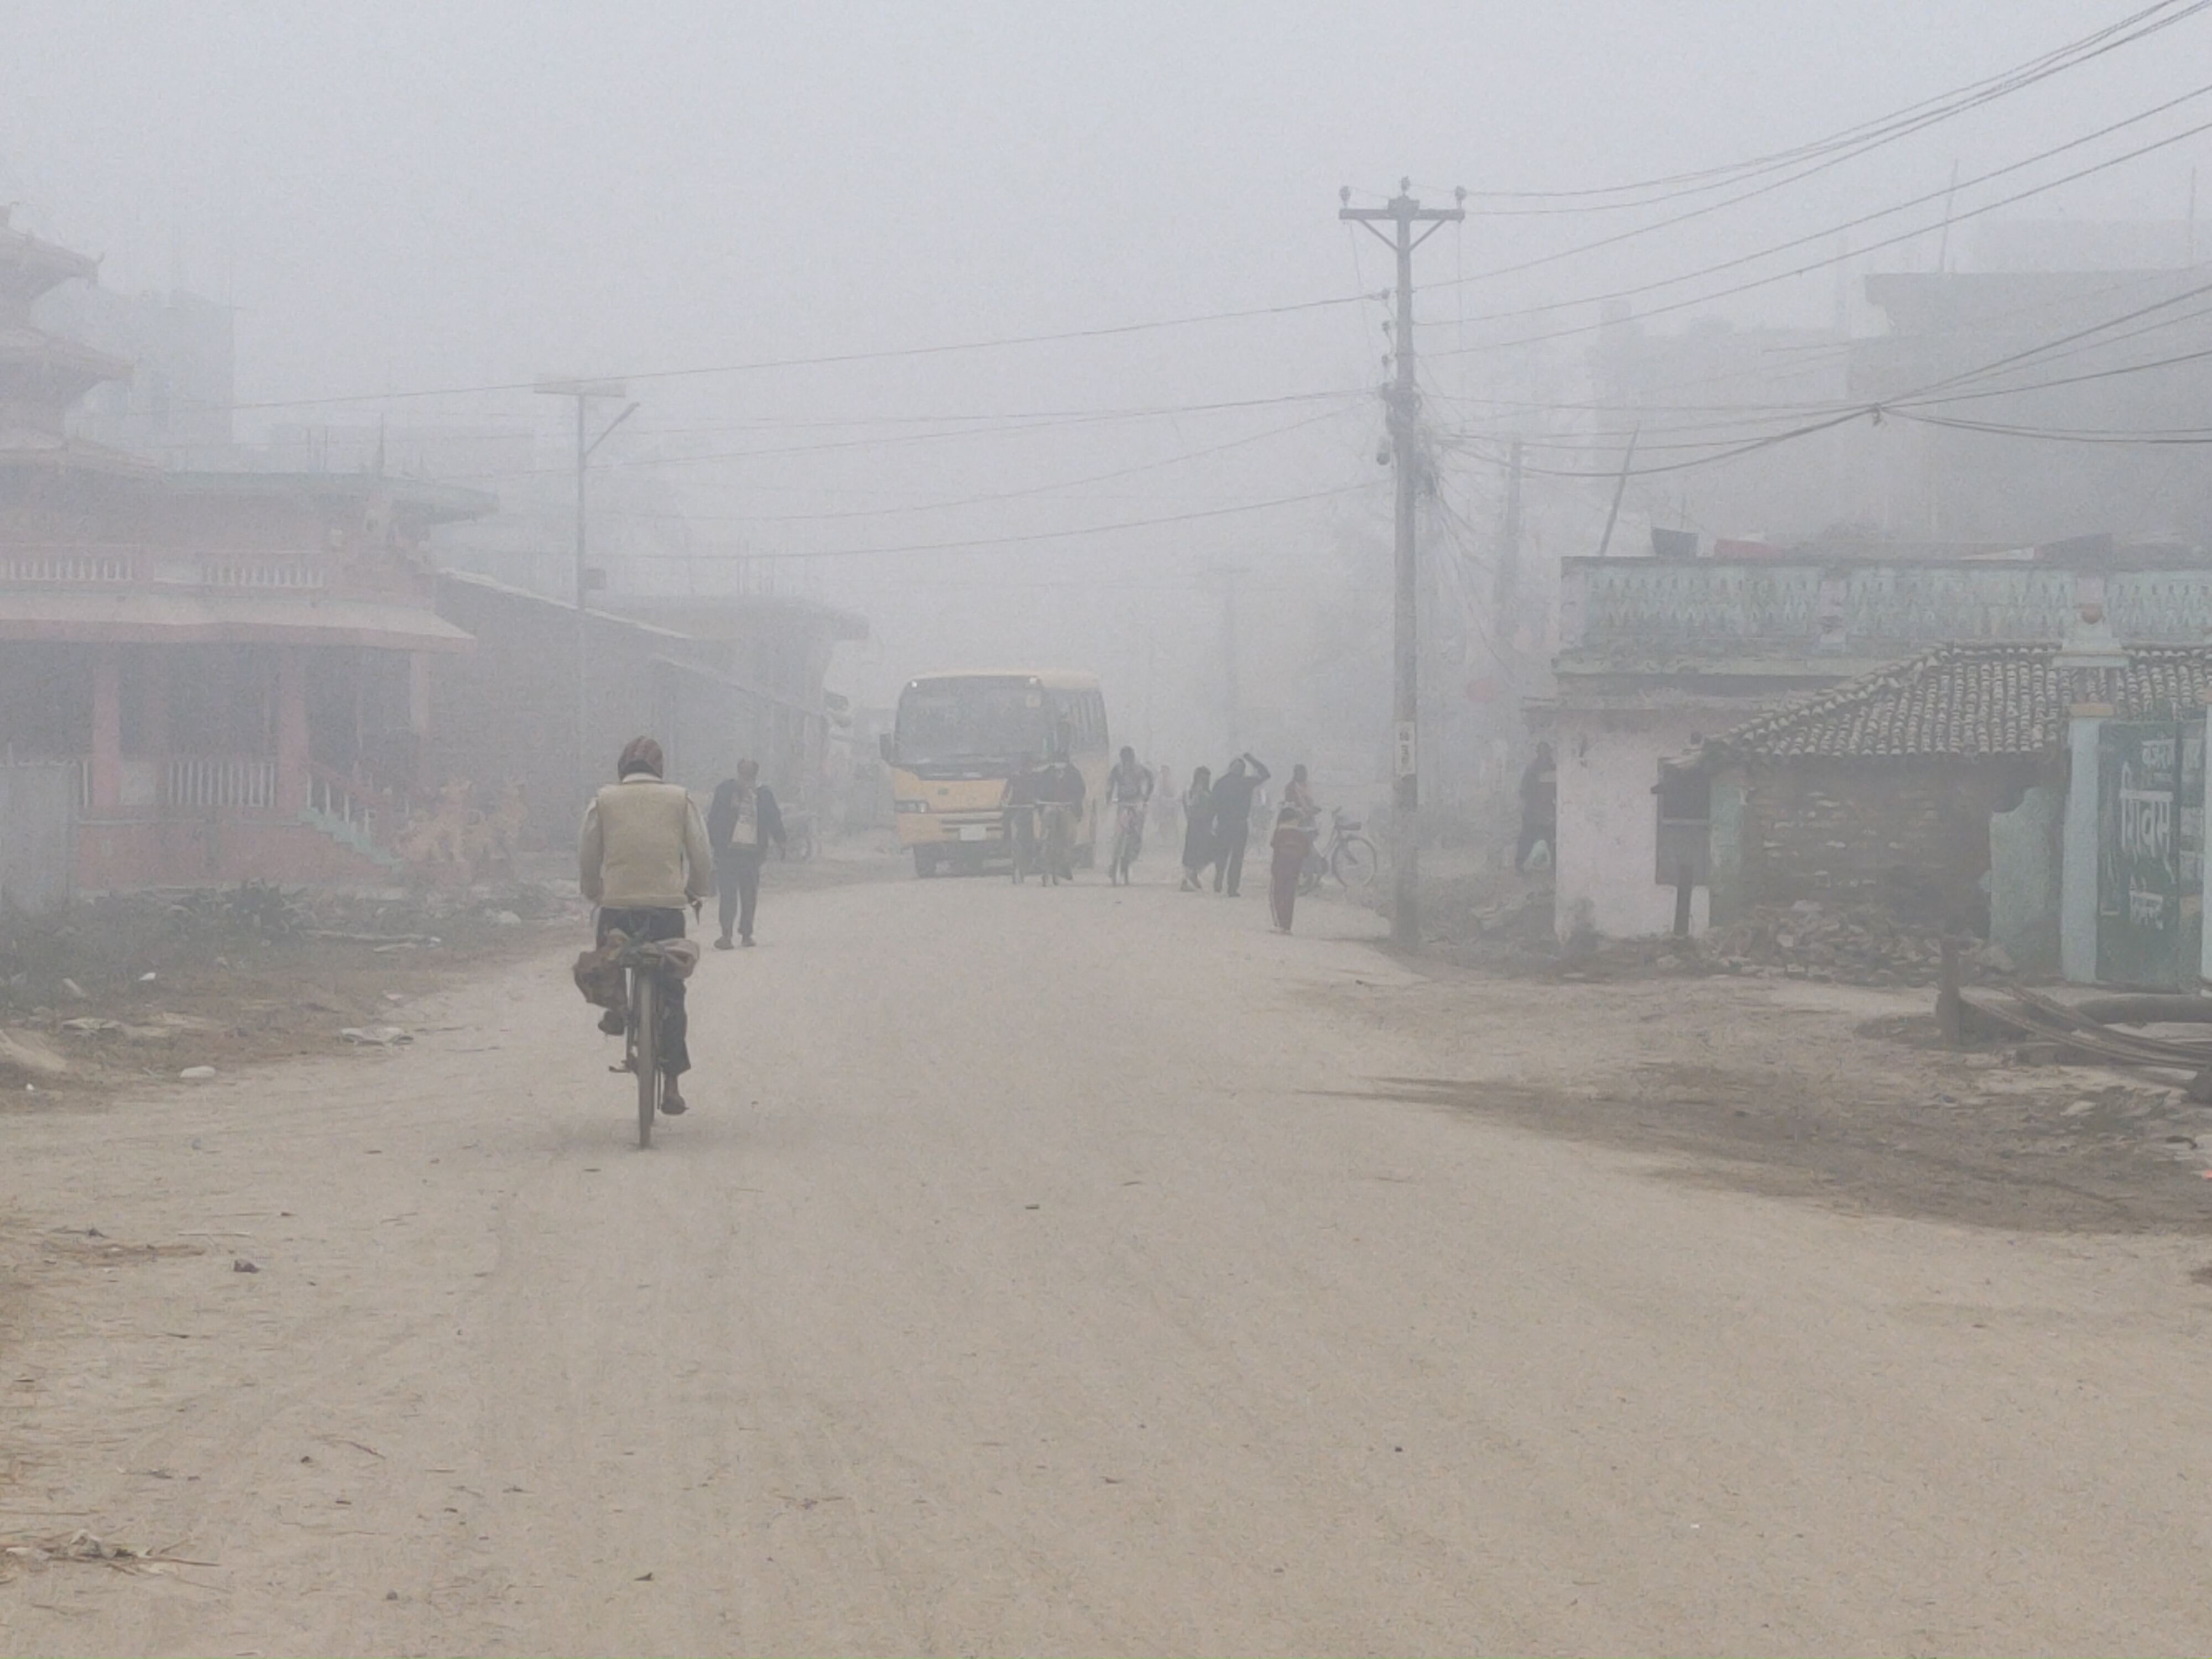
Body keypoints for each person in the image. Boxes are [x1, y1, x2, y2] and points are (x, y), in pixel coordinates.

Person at [579, 736, 713, 1115]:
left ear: (623, 768)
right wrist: (695, 890)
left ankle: (618, 1007)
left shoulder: (603, 800)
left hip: (618, 906)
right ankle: (671, 1084)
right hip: (667, 910)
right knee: (671, 990)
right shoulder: (679, 799)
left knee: (609, 957)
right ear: (659, 769)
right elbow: (701, 853)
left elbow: (588, 854)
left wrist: (595, 891)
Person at [706, 759, 786, 948]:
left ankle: (746, 934)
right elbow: (715, 818)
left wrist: (781, 841)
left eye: (749, 773)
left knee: (749, 894)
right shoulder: (726, 791)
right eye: (744, 772)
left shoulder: (763, 794)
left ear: (755, 774)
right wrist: (715, 845)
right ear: (738, 772)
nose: (746, 776)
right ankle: (726, 935)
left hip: (752, 854)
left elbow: (773, 818)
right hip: (728, 852)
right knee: (728, 896)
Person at [1208, 753, 1270, 897]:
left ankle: (1220, 877)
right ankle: (1232, 888)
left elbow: (1213, 805)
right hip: (1239, 824)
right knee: (1236, 858)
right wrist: (1252, 760)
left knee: (1223, 855)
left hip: (1225, 824)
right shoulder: (1245, 782)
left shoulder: (1221, 783)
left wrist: (1211, 823)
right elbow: (1265, 774)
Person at [1103, 745, 1154, 884]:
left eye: (1128, 759)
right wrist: (1109, 799)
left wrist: (1146, 797)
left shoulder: (1141, 769)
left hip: (1136, 802)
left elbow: (1151, 780)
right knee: (1119, 832)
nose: (1127, 762)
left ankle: (1131, 857)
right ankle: (1115, 861)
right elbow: (1110, 784)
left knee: (1136, 833)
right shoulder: (1117, 770)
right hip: (1123, 803)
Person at [1041, 750, 1087, 883]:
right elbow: (1038, 789)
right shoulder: (1045, 775)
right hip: (1050, 806)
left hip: (1068, 807)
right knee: (1045, 832)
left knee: (1069, 836)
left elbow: (1081, 790)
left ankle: (1064, 863)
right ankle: (1043, 855)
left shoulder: (1074, 774)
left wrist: (1074, 801)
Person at [1268, 805, 1312, 933]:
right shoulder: (1302, 834)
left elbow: (1274, 845)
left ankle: (1279, 923)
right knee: (1290, 896)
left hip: (1279, 869)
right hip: (1295, 870)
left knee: (1277, 895)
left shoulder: (1279, 831)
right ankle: (1287, 925)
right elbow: (1307, 852)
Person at [1517, 742, 1557, 873]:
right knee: (1527, 840)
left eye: (1546, 751)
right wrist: (1524, 808)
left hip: (1549, 811)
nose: (1544, 754)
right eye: (1542, 751)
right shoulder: (1532, 769)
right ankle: (1520, 866)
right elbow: (1524, 791)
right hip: (1533, 811)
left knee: (1555, 840)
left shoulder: (1554, 768)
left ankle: (1555, 869)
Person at [1179, 765, 1214, 891]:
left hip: (1205, 825)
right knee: (1192, 852)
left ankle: (1193, 874)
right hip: (1196, 824)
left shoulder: (1207, 792)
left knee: (1208, 852)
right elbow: (1189, 807)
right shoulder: (1193, 792)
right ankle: (1186, 879)